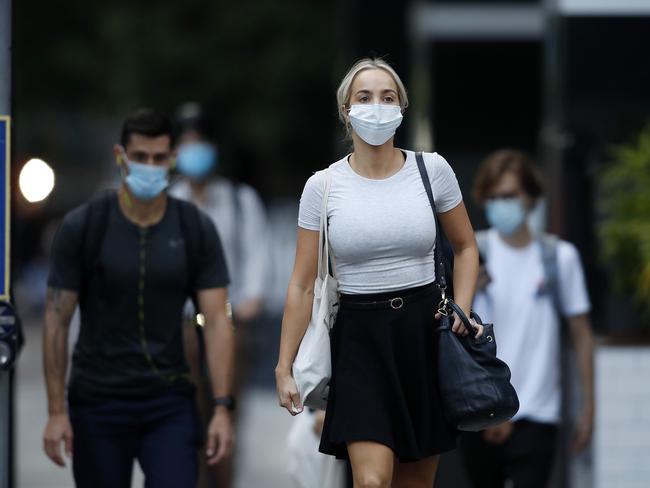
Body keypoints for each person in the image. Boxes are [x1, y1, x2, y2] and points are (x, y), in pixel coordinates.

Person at [275, 58, 482, 488]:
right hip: (359, 339)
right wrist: (283, 364)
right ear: (346, 111)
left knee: (416, 483)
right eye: (365, 97)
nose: (377, 107)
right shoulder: (323, 186)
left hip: (423, 333)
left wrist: (461, 309)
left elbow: (465, 247)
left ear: (402, 109)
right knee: (371, 482)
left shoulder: (432, 170)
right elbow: (301, 283)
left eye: (388, 98)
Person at [42, 108, 236, 488]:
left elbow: (217, 320)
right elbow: (56, 320)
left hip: (169, 402)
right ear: (121, 157)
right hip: (98, 401)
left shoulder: (194, 227)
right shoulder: (86, 224)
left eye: (159, 158)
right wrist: (55, 411)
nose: (150, 166)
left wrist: (222, 407)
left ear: (172, 160)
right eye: (140, 157)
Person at [459, 149, 595, 488]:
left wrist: (588, 409)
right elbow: (454, 332)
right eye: (493, 197)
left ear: (531, 198)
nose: (500, 204)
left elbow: (581, 335)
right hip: (480, 411)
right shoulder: (471, 254)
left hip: (538, 413)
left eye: (509, 196)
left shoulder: (559, 258)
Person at [170, 103, 269, 488]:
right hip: (179, 327)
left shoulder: (240, 200)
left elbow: (258, 255)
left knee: (226, 412)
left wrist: (250, 303)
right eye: (187, 141)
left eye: (200, 140)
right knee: (184, 415)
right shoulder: (167, 202)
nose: (193, 148)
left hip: (229, 324)